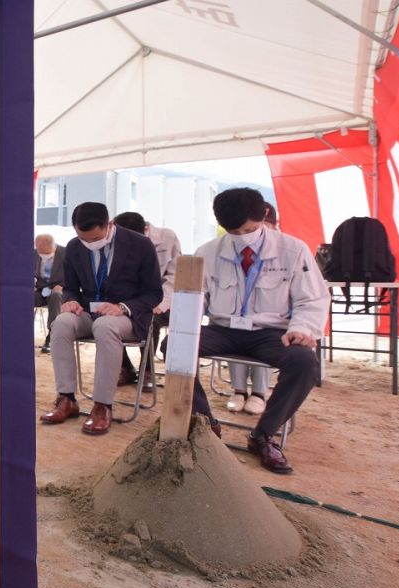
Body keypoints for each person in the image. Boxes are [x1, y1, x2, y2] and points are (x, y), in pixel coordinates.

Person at [189, 188, 328, 473]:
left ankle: (264, 435)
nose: (242, 236)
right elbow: (196, 298)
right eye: (234, 231)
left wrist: (301, 329)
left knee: (303, 361)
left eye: (249, 229)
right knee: (175, 347)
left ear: (265, 214)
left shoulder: (293, 250)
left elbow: (311, 298)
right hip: (224, 329)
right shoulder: (207, 252)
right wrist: (185, 321)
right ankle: (204, 423)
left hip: (271, 332)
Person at [40, 203, 162, 435]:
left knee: (105, 326)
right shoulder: (75, 247)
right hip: (88, 312)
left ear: (110, 225)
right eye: (83, 238)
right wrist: (70, 300)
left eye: (95, 238)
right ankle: (66, 398)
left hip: (127, 316)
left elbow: (154, 292)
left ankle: (102, 405)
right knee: (62, 323)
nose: (89, 243)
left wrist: (123, 307)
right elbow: (71, 287)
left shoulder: (140, 245)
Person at [113, 212, 181, 390]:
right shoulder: (113, 239)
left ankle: (147, 370)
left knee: (151, 319)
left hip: (163, 301)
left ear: (145, 230)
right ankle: (125, 367)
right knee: (110, 319)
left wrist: (161, 302)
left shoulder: (167, 237)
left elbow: (175, 275)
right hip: (131, 299)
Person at [226, 201, 279, 415]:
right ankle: (238, 390)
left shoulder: (288, 249)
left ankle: (259, 393)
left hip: (268, 324)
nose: (247, 236)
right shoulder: (228, 249)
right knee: (231, 331)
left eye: (253, 229)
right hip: (235, 319)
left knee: (264, 338)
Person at [33, 233, 66, 354]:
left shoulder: (66, 253)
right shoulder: (33, 253)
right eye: (40, 252)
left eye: (46, 253)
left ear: (54, 247)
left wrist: (63, 286)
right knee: (22, 297)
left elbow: (75, 276)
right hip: (40, 289)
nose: (43, 255)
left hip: (58, 290)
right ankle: (21, 334)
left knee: (56, 297)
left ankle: (52, 336)